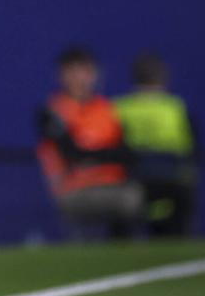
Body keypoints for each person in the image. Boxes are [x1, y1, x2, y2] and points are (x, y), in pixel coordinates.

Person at [36, 46, 143, 239]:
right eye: (72, 71)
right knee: (130, 199)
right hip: (74, 189)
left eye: (85, 71)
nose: (79, 78)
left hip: (114, 183)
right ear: (62, 75)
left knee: (145, 192)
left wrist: (93, 154)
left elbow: (128, 153)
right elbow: (72, 154)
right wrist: (105, 154)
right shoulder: (53, 112)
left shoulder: (108, 110)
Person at [114, 53, 197, 236]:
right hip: (170, 178)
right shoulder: (175, 107)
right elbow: (191, 147)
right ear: (164, 79)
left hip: (133, 178)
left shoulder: (120, 107)